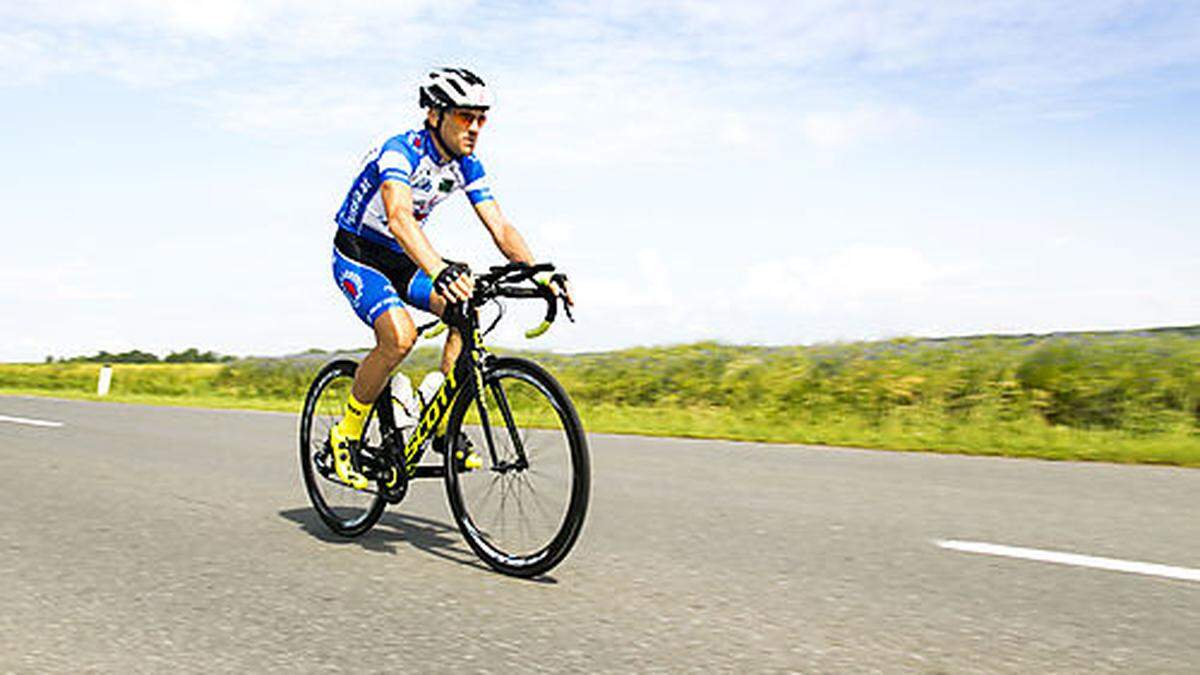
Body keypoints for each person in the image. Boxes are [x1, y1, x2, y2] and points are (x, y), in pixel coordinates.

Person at [327, 67, 573, 489]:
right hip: (359, 254)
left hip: (404, 259)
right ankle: (344, 437)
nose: (475, 127)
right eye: (465, 116)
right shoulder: (399, 153)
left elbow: (500, 227)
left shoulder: (465, 165)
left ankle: (441, 423)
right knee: (399, 337)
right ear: (434, 114)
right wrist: (439, 270)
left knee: (468, 306)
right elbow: (400, 219)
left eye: (482, 118)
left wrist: (538, 272)